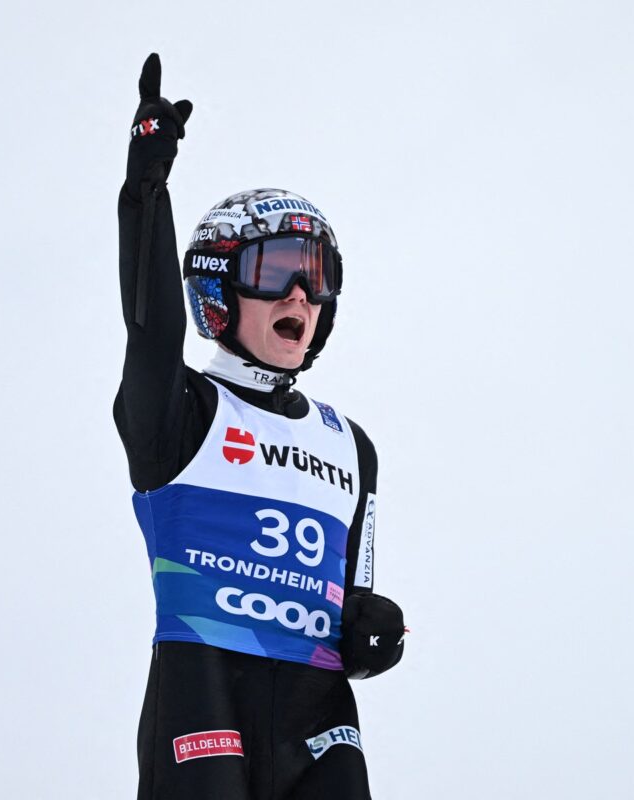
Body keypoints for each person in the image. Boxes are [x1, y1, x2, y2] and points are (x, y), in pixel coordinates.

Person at [115, 53, 405, 800]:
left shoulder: (351, 445)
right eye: (275, 271)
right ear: (219, 290)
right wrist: (146, 191)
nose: (300, 294)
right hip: (203, 706)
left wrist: (374, 634)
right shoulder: (181, 413)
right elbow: (150, 331)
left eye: (317, 275)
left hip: (319, 725)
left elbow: (354, 617)